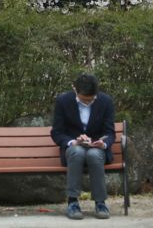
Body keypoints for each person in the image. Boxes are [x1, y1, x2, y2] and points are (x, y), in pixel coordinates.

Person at [51, 73, 115, 220]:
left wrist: (103, 143)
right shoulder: (63, 101)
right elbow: (57, 132)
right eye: (84, 99)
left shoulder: (105, 101)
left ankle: (100, 203)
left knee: (94, 154)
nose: (87, 102)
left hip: (96, 148)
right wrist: (71, 142)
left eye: (91, 99)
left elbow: (110, 132)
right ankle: (72, 202)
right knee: (77, 152)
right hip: (74, 147)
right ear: (75, 90)